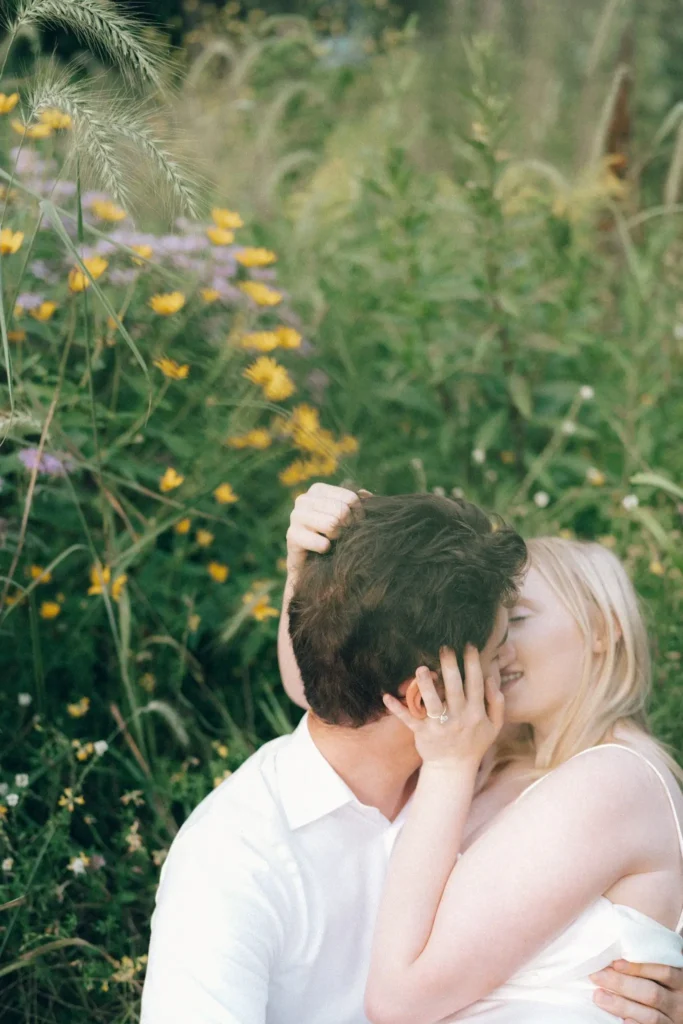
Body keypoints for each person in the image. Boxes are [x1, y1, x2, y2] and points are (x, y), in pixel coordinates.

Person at [139, 483, 683, 1024]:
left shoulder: (486, 757)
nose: (505, 657)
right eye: (500, 636)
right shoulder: (240, 858)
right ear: (422, 698)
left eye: (518, 621)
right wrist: (306, 571)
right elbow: (331, 680)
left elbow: (348, 686)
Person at [363, 535, 683, 1023]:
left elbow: (399, 1002)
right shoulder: (498, 763)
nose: (496, 646)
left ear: (604, 627)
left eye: (517, 621)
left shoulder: (611, 780)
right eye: (488, 628)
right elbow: (330, 701)